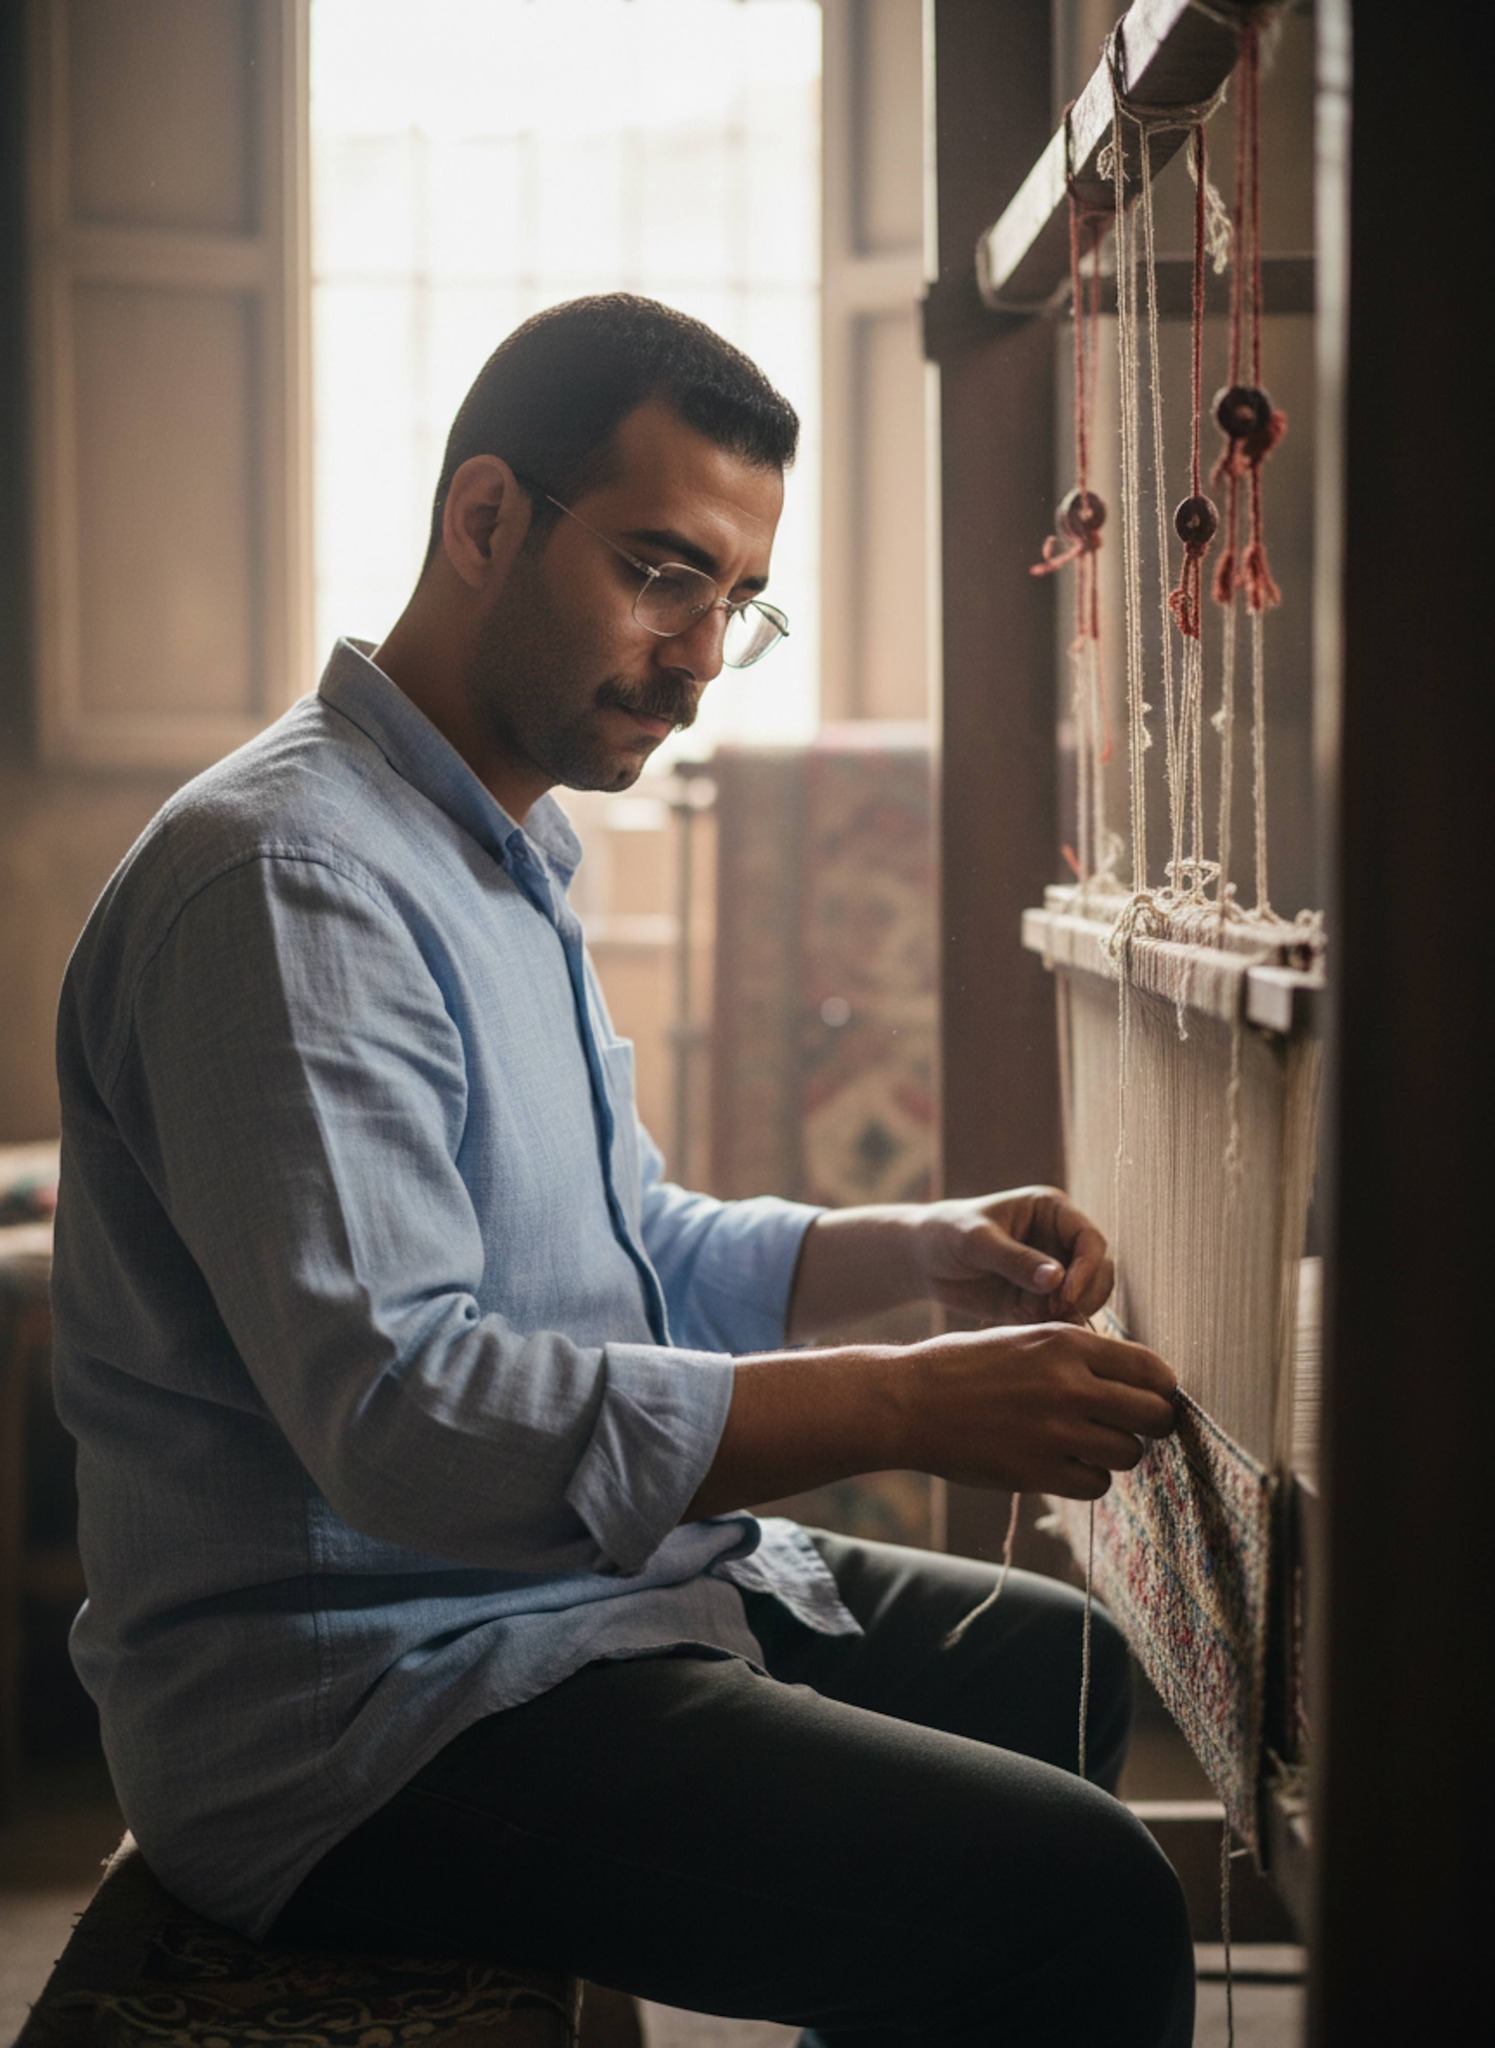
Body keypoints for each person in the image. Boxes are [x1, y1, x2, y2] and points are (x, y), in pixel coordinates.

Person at [52, 295, 1195, 2045]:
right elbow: (409, 1415)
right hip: (361, 1712)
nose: (700, 653)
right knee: (1077, 1899)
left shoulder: (493, 849)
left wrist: (917, 1251)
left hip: (549, 1613)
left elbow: (620, 1242)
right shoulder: (286, 882)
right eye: (664, 573)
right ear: (484, 518)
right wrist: (904, 1406)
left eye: (739, 602)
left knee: (1061, 1673)